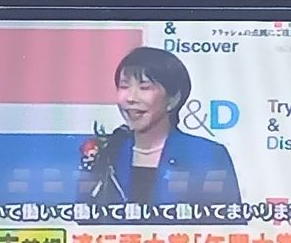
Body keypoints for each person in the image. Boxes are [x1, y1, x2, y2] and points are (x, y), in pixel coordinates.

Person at [85, 46, 243, 222]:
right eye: (124, 86)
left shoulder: (206, 154)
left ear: (173, 99)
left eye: (144, 87)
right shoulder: (108, 151)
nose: (130, 98)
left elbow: (227, 224)